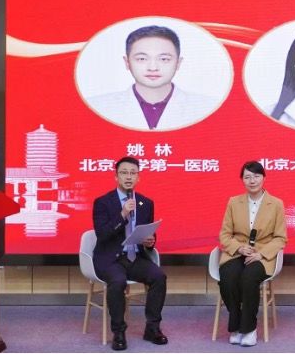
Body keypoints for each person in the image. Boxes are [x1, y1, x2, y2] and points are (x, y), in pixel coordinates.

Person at [92, 156, 167, 351]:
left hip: (135, 258)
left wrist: (150, 241)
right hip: (110, 259)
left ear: (138, 177)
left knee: (159, 276)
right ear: (116, 176)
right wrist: (122, 215)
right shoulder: (102, 202)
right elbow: (102, 235)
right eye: (124, 173)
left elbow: (147, 232)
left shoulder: (145, 203)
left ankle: (152, 328)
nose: (128, 177)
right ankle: (118, 332)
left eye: (133, 173)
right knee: (118, 282)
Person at [87, 25, 218, 131]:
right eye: (142, 59)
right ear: (127, 63)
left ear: (178, 63)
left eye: (164, 59)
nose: (153, 67)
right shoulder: (97, 107)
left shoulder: (208, 107)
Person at [218, 161, 287, 347]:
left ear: (264, 178)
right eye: (247, 177)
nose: (252, 180)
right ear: (242, 180)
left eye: (256, 176)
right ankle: (236, 325)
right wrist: (239, 248)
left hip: (262, 256)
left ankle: (249, 329)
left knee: (248, 278)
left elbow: (280, 238)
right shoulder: (234, 202)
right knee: (228, 277)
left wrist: (261, 254)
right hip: (237, 252)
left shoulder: (276, 204)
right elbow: (224, 235)